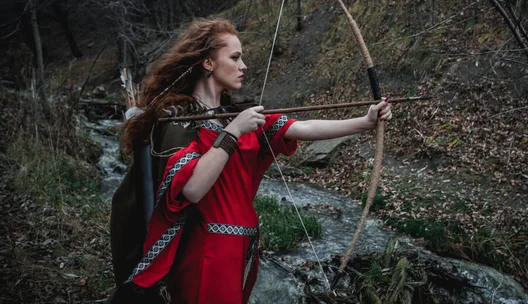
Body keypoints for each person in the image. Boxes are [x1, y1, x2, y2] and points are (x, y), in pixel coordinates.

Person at [120, 17, 392, 304]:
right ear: (208, 63)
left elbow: (305, 128)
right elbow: (193, 188)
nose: (243, 65)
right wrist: (233, 131)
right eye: (235, 57)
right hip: (207, 252)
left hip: (243, 248)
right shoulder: (181, 122)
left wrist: (366, 121)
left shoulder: (237, 115)